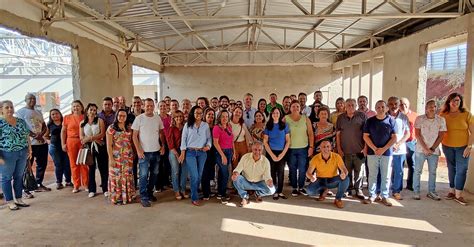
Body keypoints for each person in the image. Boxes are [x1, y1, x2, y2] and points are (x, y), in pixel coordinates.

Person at [440, 93, 473, 205]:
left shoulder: (466, 114)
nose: (455, 102)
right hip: (447, 146)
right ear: (448, 102)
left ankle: (458, 195)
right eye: (452, 100)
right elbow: (439, 132)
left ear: (460, 102)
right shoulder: (443, 115)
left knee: (462, 169)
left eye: (457, 100)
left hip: (463, 147)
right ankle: (451, 191)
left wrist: (469, 146)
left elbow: (473, 132)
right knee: (451, 168)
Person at [132, 98, 166, 207]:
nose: (149, 108)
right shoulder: (139, 118)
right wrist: (138, 150)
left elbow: (161, 133)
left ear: (154, 106)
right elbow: (134, 136)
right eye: (147, 106)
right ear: (143, 106)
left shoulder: (157, 118)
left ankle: (150, 193)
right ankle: (144, 196)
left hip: (156, 151)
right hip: (144, 153)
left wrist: (163, 146)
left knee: (154, 174)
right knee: (143, 175)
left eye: (151, 105)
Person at [363, 100, 397, 206]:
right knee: (372, 175)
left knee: (386, 175)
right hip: (372, 153)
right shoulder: (370, 121)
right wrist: (374, 148)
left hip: (386, 153)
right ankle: (372, 195)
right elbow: (365, 136)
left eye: (382, 107)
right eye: (378, 107)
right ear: (375, 108)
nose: (380, 109)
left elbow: (394, 138)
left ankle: (384, 196)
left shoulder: (391, 121)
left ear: (386, 108)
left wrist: (383, 149)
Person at [0, 100, 32, 210]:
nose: (9, 109)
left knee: (18, 176)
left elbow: (26, 135)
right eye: (7, 107)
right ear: (1, 110)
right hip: (7, 153)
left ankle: (19, 199)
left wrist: (30, 148)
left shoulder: (20, 121)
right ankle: (10, 201)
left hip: (22, 152)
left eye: (11, 107)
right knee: (6, 178)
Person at [16, 93, 50, 193]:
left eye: (34, 98)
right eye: (30, 98)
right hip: (30, 144)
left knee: (42, 164)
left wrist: (41, 135)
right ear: (25, 100)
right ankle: (25, 188)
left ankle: (39, 183)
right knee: (27, 166)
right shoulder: (20, 112)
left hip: (41, 143)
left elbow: (44, 125)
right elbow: (21, 127)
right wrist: (35, 136)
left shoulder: (38, 112)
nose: (32, 100)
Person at [413, 100, 446, 200]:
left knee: (433, 172)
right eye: (430, 106)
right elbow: (417, 135)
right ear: (426, 108)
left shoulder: (441, 120)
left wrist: (432, 148)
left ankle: (432, 191)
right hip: (420, 150)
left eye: (434, 106)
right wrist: (425, 148)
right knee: (418, 171)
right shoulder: (419, 119)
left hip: (434, 151)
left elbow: (441, 136)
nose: (433, 108)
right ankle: (416, 192)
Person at [179, 106, 212, 206]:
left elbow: (209, 139)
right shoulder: (187, 125)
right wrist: (183, 152)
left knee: (199, 175)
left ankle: (195, 193)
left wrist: (208, 146)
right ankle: (194, 198)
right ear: (193, 114)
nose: (199, 115)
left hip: (202, 153)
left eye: (201, 113)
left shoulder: (205, 125)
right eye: (197, 113)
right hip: (190, 153)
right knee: (194, 175)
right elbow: (183, 139)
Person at [336, 99, 367, 199]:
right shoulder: (340, 117)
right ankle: (348, 189)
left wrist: (366, 147)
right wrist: (339, 148)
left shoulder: (362, 116)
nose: (350, 107)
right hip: (345, 151)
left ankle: (358, 190)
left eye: (353, 105)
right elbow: (338, 134)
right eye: (348, 105)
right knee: (346, 171)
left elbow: (367, 134)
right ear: (345, 106)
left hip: (359, 150)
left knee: (359, 172)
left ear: (356, 105)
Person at [306, 140, 350, 209]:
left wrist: (344, 173)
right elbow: (308, 173)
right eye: (323, 147)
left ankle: (338, 199)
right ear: (320, 148)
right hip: (320, 180)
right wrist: (311, 177)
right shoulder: (315, 158)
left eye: (328, 146)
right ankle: (323, 190)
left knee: (346, 179)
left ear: (331, 148)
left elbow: (344, 169)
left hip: (332, 180)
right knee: (309, 191)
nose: (326, 148)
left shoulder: (337, 156)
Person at [232, 142, 275, 207]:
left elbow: (267, 176)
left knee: (272, 190)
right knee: (236, 179)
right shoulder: (245, 157)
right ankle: (245, 196)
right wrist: (235, 174)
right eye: (255, 149)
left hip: (259, 183)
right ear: (252, 149)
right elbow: (238, 169)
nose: (257, 152)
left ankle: (258, 193)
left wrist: (269, 182)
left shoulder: (266, 161)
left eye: (259, 150)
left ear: (262, 151)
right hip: (246, 182)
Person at [106, 109, 135, 205]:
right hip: (116, 157)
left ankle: (127, 196)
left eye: (124, 116)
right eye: (120, 115)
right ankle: (118, 197)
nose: (122, 117)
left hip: (128, 157)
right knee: (117, 176)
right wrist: (111, 158)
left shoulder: (128, 128)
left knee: (126, 176)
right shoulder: (111, 128)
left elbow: (131, 142)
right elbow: (109, 145)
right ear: (117, 116)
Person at [285, 100, 314, 196]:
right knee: (292, 168)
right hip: (290, 148)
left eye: (297, 106)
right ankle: (294, 188)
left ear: (300, 108)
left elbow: (310, 134)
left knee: (302, 169)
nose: (295, 108)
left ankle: (301, 187)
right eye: (293, 106)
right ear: (290, 108)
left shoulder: (305, 119)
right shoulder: (286, 118)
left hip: (303, 148)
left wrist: (311, 146)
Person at [263, 107, 290, 200]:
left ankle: (280, 191)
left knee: (281, 172)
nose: (275, 114)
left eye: (277, 113)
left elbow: (288, 141)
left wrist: (282, 154)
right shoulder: (268, 126)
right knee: (272, 172)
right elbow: (265, 142)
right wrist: (272, 155)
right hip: (271, 152)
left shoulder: (284, 125)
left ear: (280, 114)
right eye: (274, 113)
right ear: (271, 114)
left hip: (282, 152)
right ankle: (274, 191)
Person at [80, 103, 106, 198]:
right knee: (91, 169)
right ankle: (92, 190)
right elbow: (82, 138)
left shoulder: (100, 121)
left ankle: (105, 189)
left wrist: (90, 138)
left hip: (100, 146)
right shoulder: (82, 123)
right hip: (89, 147)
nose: (92, 112)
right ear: (87, 111)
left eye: (94, 110)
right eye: (91, 109)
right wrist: (94, 139)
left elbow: (102, 134)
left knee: (103, 168)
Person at [62, 100, 88, 193]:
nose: (75, 108)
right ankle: (76, 185)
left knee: (84, 163)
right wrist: (63, 143)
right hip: (71, 141)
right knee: (73, 164)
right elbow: (63, 131)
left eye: (77, 106)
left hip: (82, 141)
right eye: (74, 106)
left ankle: (86, 184)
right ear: (71, 108)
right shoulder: (67, 117)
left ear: (81, 107)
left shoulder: (85, 117)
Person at [387, 96, 410, 200]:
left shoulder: (404, 117)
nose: (393, 106)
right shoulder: (384, 116)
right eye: (391, 104)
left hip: (399, 149)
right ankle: (384, 191)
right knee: (385, 171)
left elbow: (408, 133)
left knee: (398, 171)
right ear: (387, 105)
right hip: (386, 149)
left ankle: (396, 191)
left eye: (395, 104)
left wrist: (398, 144)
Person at [44, 109, 72, 190]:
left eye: (56, 113)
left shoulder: (65, 122)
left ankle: (68, 181)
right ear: (50, 116)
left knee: (67, 164)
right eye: (52, 114)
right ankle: (59, 182)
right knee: (58, 164)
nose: (55, 115)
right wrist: (49, 141)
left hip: (65, 146)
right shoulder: (49, 124)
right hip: (54, 147)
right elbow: (45, 135)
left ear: (60, 114)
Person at [213, 110, 234, 203]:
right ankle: (222, 193)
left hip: (229, 151)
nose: (225, 118)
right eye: (223, 116)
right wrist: (222, 155)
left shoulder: (229, 126)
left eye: (226, 116)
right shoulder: (216, 128)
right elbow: (215, 143)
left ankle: (220, 193)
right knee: (225, 173)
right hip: (221, 152)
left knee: (222, 173)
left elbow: (231, 140)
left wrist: (234, 151)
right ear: (219, 118)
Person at [166, 110, 188, 200]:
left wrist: (183, 153)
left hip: (184, 151)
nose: (179, 118)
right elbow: (170, 144)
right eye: (176, 117)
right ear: (174, 118)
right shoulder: (171, 128)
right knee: (176, 171)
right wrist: (177, 155)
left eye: (180, 116)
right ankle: (176, 190)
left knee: (184, 171)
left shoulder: (186, 127)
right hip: (174, 151)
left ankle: (183, 189)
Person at [400, 97, 418, 191]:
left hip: (411, 142)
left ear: (408, 105)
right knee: (399, 164)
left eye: (405, 104)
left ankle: (410, 184)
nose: (403, 106)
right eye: (401, 104)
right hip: (399, 143)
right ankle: (397, 185)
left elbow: (418, 130)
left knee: (412, 164)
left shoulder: (415, 116)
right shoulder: (397, 115)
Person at [128, 96, 144, 188]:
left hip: (144, 142)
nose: (136, 104)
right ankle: (134, 185)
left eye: (138, 102)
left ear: (141, 103)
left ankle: (143, 184)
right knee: (133, 164)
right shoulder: (128, 115)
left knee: (143, 165)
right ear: (132, 104)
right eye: (134, 102)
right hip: (132, 143)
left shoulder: (145, 114)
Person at [202, 108, 217, 200]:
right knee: (205, 172)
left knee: (210, 171)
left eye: (212, 115)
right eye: (209, 115)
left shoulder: (215, 127)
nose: (211, 117)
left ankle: (209, 191)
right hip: (204, 151)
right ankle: (205, 193)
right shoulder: (202, 126)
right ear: (205, 116)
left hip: (213, 152)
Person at [157, 101, 171, 191]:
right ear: (158, 107)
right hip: (158, 141)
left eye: (164, 106)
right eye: (160, 106)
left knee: (167, 163)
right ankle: (159, 184)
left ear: (167, 107)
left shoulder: (170, 118)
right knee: (159, 164)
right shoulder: (156, 118)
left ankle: (166, 182)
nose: (163, 108)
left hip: (169, 141)